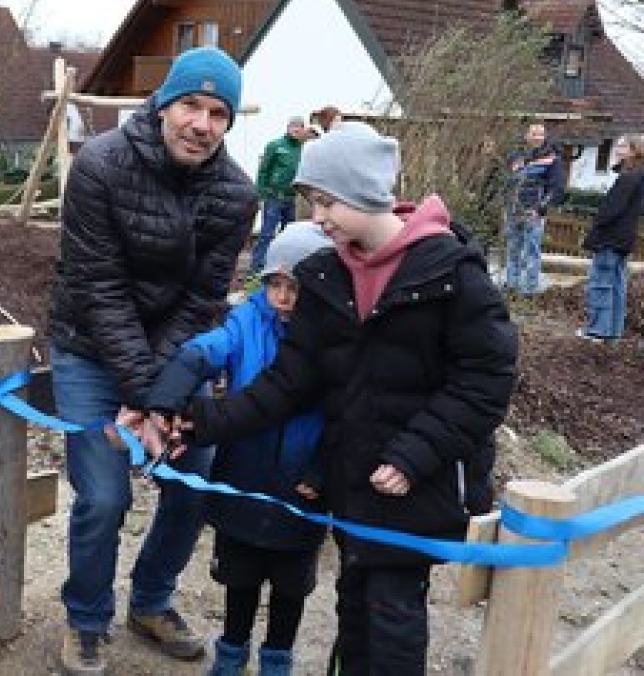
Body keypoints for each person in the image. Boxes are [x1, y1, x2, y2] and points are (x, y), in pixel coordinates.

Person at [148, 121, 518, 675]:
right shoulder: (326, 276)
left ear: (366, 193)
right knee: (353, 608)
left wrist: (414, 455)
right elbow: (285, 384)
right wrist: (198, 424)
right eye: (312, 203)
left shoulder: (451, 275)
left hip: (419, 480)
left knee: (392, 615)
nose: (317, 218)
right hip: (353, 480)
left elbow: (486, 382)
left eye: (326, 202)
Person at [47, 45, 259, 676]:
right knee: (105, 495)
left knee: (195, 474)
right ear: (163, 104)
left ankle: (151, 601)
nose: (202, 123)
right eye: (191, 104)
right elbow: (99, 287)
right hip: (89, 343)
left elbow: (201, 303)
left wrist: (160, 397)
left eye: (218, 112)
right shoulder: (100, 165)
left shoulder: (236, 193)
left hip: (174, 356)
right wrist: (142, 395)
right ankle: (87, 617)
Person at [149, 221, 332, 676]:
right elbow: (203, 351)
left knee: (291, 584)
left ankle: (277, 659)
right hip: (241, 474)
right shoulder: (247, 320)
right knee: (239, 576)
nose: (283, 297)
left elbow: (345, 416)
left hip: (302, 486)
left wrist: (322, 469)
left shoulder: (336, 338)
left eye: (296, 287)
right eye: (275, 283)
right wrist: (167, 399)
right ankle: (231, 654)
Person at [578, 134, 644, 342]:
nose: (617, 148)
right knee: (617, 285)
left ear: (634, 151)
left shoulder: (629, 178)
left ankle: (597, 330)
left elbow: (611, 210)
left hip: (611, 237)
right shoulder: (638, 176)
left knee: (600, 283)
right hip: (624, 238)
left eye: (623, 146)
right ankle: (613, 332)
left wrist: (596, 225)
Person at [504, 122, 565, 295]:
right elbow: (509, 182)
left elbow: (557, 189)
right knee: (513, 249)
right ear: (526, 135)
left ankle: (529, 290)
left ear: (545, 136)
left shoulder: (552, 159)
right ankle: (511, 286)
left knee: (531, 251)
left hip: (534, 212)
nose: (537, 137)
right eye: (534, 133)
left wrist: (540, 209)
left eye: (541, 134)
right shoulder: (517, 157)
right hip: (513, 210)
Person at [249, 117, 308, 273]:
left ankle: (284, 265)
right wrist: (261, 194)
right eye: (293, 126)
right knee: (267, 233)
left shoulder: (303, 149)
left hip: (291, 198)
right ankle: (257, 267)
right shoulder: (275, 145)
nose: (296, 129)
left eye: (300, 127)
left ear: (303, 130)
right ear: (288, 128)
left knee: (288, 234)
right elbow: (263, 170)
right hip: (274, 197)